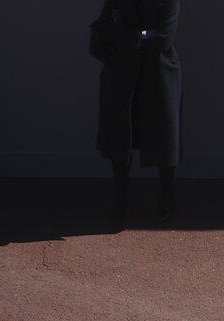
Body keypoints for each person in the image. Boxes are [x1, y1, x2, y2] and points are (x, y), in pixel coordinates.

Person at [90, 0, 182, 225]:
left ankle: (167, 198)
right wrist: (142, 34)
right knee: (119, 136)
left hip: (158, 74)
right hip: (122, 75)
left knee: (163, 134)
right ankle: (120, 200)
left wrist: (125, 34)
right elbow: (103, 27)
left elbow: (163, 40)